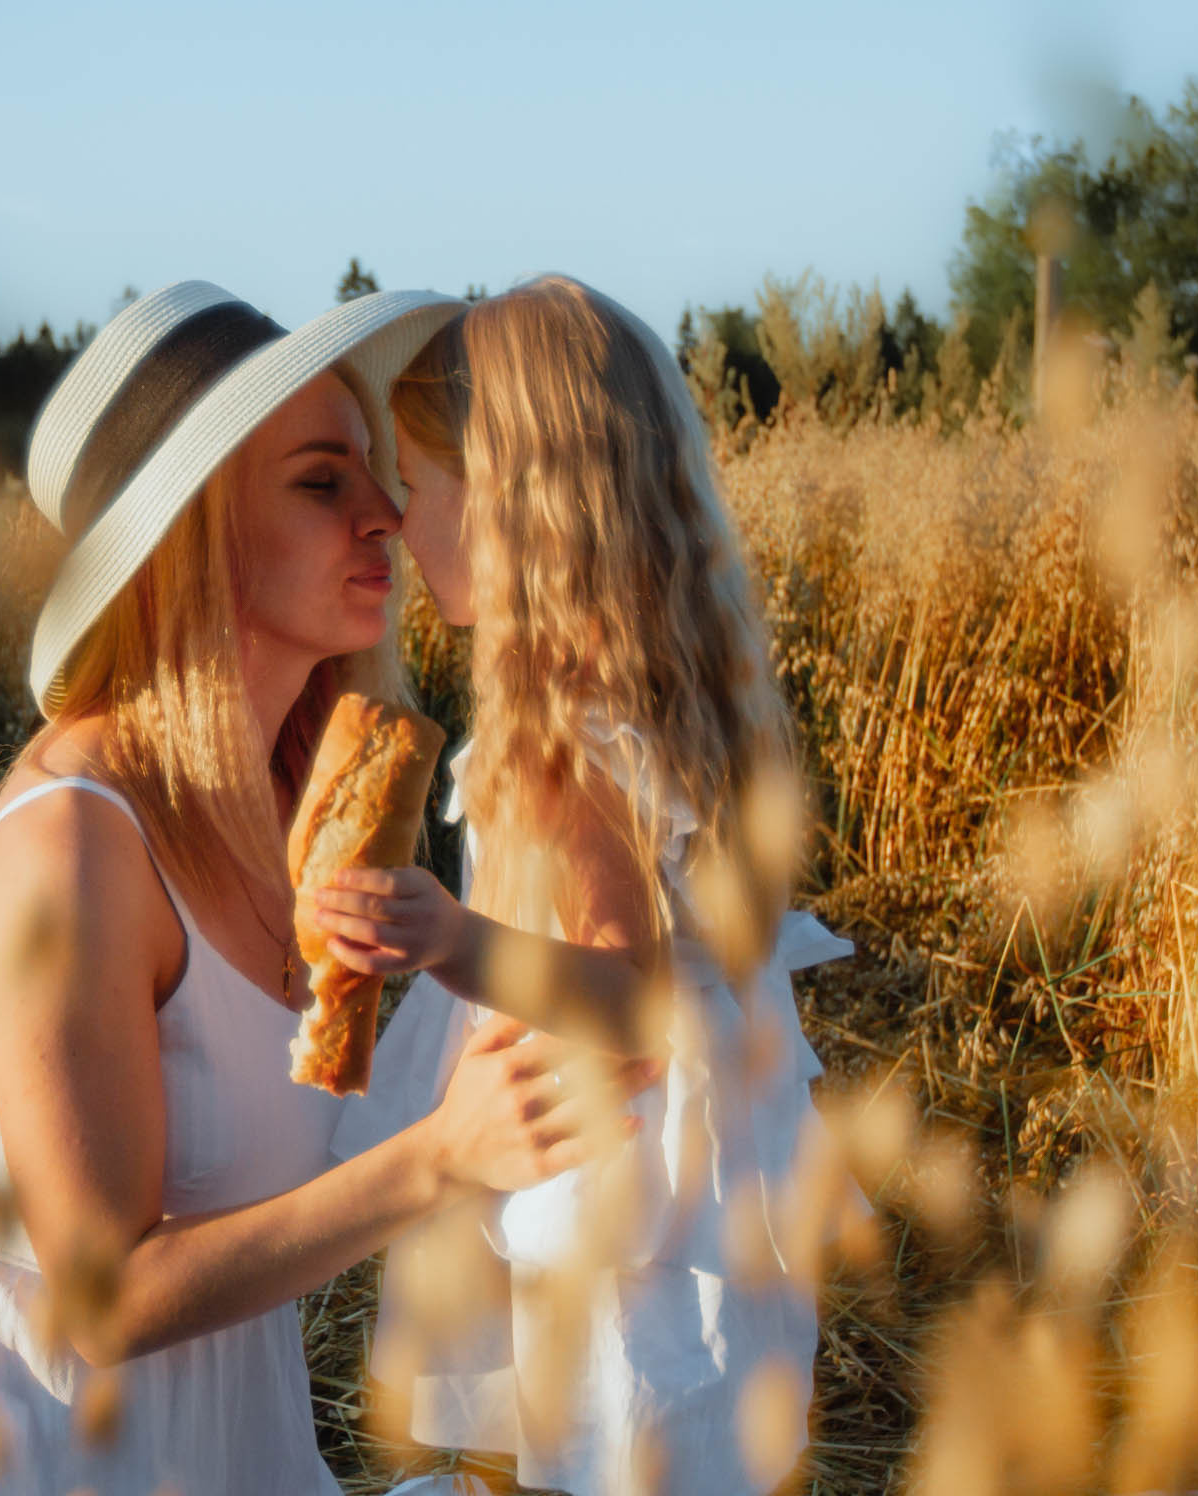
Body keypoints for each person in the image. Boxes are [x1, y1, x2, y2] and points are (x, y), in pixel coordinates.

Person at [0, 282, 647, 1496]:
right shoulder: (73, 849)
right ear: (189, 539)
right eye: (321, 482)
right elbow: (97, 1298)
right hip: (31, 1445)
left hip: (228, 1427)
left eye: (375, 471)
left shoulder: (311, 807)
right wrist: (440, 1158)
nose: (385, 511)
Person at [320, 276, 854, 1496]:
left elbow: (628, 1000)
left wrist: (449, 937)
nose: (394, 518)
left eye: (415, 481)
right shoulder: (666, 701)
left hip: (626, 1211)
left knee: (614, 1444)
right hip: (704, 1189)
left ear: (508, 503)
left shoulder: (566, 739)